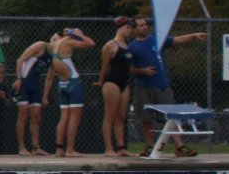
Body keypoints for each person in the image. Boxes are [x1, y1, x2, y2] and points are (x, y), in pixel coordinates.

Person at [128, 17, 206, 158]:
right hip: (143, 87)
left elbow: (177, 40)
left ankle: (180, 147)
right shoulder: (132, 47)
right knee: (146, 118)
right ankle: (150, 146)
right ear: (134, 29)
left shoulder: (157, 41)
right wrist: (142, 71)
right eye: (140, 25)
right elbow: (129, 68)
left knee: (170, 117)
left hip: (162, 85)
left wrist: (193, 36)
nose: (144, 27)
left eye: (145, 24)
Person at [48, 28, 96, 157]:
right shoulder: (69, 42)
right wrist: (79, 35)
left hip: (62, 84)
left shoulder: (55, 44)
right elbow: (91, 43)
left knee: (63, 117)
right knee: (74, 118)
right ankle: (70, 149)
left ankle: (59, 149)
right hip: (73, 83)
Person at [97, 17, 136, 157]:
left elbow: (129, 66)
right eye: (128, 28)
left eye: (131, 28)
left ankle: (121, 147)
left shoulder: (127, 46)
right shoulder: (110, 45)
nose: (130, 31)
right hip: (112, 82)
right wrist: (101, 81)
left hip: (125, 83)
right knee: (110, 115)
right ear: (121, 28)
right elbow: (105, 66)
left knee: (121, 116)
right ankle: (109, 148)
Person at [12, 38, 54, 156]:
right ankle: (21, 147)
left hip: (35, 85)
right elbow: (20, 60)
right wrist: (19, 79)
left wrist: (45, 96)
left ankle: (36, 147)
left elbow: (50, 77)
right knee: (23, 114)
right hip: (24, 83)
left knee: (36, 115)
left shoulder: (56, 56)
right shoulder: (40, 46)